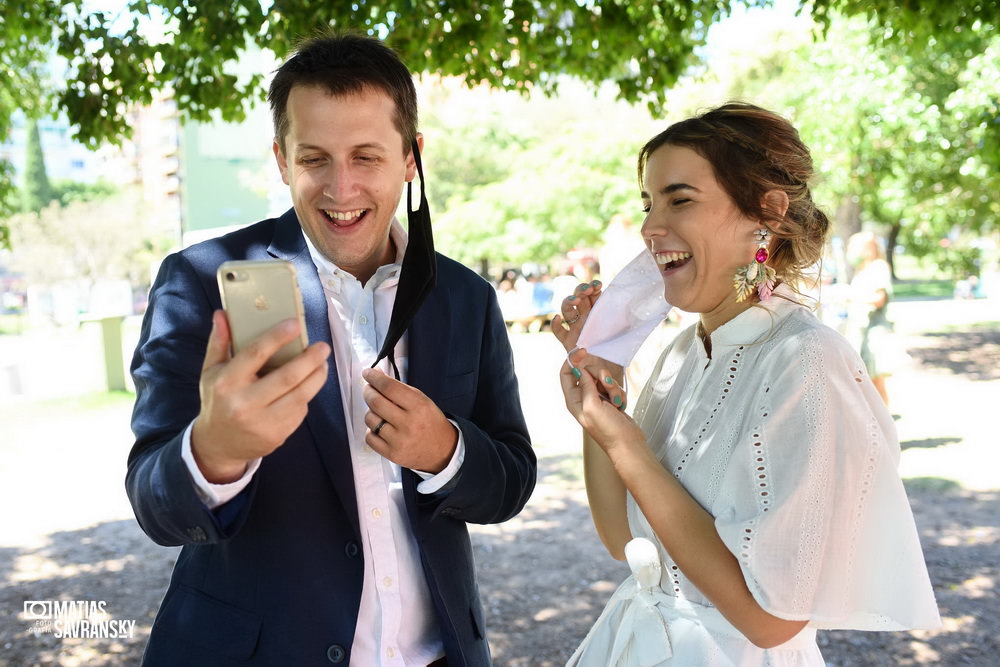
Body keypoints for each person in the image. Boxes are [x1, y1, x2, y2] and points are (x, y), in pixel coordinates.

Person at [126, 33, 535, 667]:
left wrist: (446, 452)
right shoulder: (198, 281)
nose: (340, 189)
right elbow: (155, 504)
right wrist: (215, 452)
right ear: (281, 160)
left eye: (366, 157)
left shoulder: (468, 297)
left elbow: (511, 480)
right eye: (314, 158)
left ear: (410, 158)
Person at [550, 102, 939, 666]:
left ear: (768, 212)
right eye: (648, 203)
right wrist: (600, 392)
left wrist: (626, 443)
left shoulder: (808, 361)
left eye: (679, 199)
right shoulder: (682, 353)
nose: (651, 227)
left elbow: (770, 620)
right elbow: (622, 541)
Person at [845, 230, 894, 406]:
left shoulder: (878, 267)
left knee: (876, 379)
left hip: (875, 331)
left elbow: (879, 299)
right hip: (861, 330)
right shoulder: (861, 270)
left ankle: (885, 421)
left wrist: (850, 297)